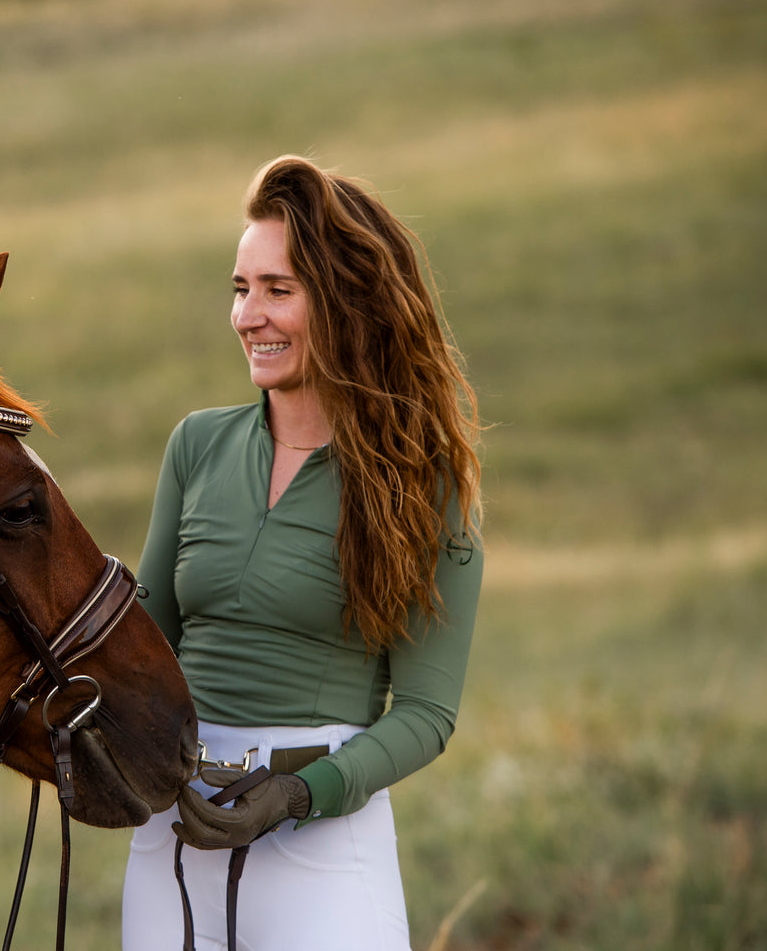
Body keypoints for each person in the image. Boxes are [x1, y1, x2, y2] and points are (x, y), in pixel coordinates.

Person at [121, 155, 484, 951]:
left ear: (348, 304)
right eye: (240, 289)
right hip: (170, 840)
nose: (248, 315)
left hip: (320, 851)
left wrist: (295, 795)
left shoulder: (421, 482)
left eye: (277, 290)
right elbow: (142, 646)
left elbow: (426, 714)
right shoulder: (196, 445)